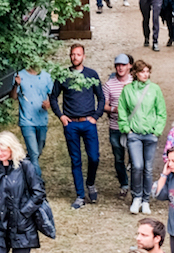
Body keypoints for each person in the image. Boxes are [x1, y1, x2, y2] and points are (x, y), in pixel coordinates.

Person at [50, 42, 106, 210]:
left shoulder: (91, 74)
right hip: (71, 124)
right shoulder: (63, 75)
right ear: (70, 56)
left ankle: (90, 183)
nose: (75, 57)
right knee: (76, 160)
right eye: (73, 54)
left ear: (84, 56)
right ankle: (80, 195)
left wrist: (96, 116)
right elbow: (53, 97)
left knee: (94, 157)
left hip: (88, 122)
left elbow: (101, 97)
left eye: (78, 54)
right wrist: (61, 116)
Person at [119, 59, 167, 215]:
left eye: (147, 71)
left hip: (150, 134)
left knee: (148, 168)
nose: (145, 74)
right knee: (137, 166)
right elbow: (122, 110)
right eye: (142, 72)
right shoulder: (127, 90)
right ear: (135, 73)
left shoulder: (154, 89)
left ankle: (146, 200)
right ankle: (136, 197)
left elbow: (161, 111)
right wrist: (127, 129)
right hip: (134, 134)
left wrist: (157, 131)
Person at [11, 63, 54, 168]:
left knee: (37, 151)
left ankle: (25, 167)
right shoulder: (20, 75)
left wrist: (49, 104)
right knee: (34, 154)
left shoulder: (46, 76)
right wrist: (16, 85)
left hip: (42, 120)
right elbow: (13, 96)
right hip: (26, 121)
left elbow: (53, 97)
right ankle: (36, 178)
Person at [102, 53, 133, 196]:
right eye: (118, 65)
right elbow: (104, 106)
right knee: (119, 158)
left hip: (133, 127)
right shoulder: (109, 84)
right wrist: (115, 109)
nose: (120, 68)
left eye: (123, 65)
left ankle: (135, 184)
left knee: (135, 157)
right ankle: (124, 184)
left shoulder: (134, 82)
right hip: (115, 126)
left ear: (129, 66)